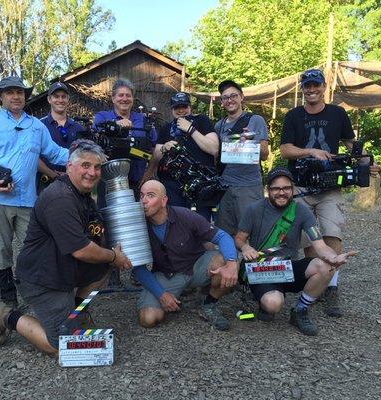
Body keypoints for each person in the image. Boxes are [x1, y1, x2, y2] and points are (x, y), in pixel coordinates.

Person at [0, 140, 132, 355]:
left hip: (65, 269)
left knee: (104, 266)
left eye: (97, 167)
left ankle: (76, 313)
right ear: (69, 166)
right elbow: (81, 250)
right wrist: (113, 256)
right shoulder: (60, 198)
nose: (92, 172)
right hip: (43, 280)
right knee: (60, 346)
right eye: (85, 165)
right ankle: (5, 315)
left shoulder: (83, 195)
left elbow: (95, 235)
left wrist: (113, 253)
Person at [280, 68, 378, 317]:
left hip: (330, 185)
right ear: (302, 89)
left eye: (316, 85)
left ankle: (332, 287)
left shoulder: (338, 113)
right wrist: (310, 151)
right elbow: (285, 150)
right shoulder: (293, 115)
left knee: (332, 232)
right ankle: (317, 281)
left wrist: (366, 162)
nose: (311, 90)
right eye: (307, 86)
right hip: (301, 186)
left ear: (324, 87)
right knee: (308, 238)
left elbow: (350, 145)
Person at [0, 76, 69, 307]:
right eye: (10, 92)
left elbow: (55, 153)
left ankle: (32, 292)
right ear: (1, 97)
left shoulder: (36, 126)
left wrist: (82, 156)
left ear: (25, 96)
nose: (16, 96)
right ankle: (8, 297)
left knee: (33, 247)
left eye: (20, 92)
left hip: (27, 200)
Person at [234, 167, 356, 336]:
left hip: (288, 267)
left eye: (286, 188)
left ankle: (300, 310)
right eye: (276, 188)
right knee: (273, 304)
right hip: (262, 269)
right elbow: (239, 238)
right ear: (268, 190)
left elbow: (319, 245)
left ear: (292, 189)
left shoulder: (301, 211)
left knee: (327, 266)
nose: (281, 193)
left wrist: (333, 258)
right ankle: (265, 301)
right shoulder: (254, 209)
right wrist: (246, 247)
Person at [136, 180, 238, 331]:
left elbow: (222, 236)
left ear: (164, 200)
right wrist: (161, 295)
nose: (144, 201)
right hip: (166, 274)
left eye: (150, 196)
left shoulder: (184, 215)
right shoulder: (137, 226)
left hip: (196, 267)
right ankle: (177, 293)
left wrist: (231, 263)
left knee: (224, 261)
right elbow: (137, 267)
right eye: (141, 195)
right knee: (148, 319)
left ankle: (208, 303)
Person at [142, 92, 219, 220]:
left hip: (198, 184)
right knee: (176, 223)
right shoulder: (166, 128)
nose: (181, 110)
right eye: (177, 107)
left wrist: (190, 129)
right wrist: (164, 148)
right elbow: (156, 156)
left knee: (200, 224)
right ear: (172, 110)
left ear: (190, 107)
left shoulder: (202, 121)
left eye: (184, 106)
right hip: (172, 185)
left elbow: (213, 149)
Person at [215, 79, 269, 235]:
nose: (230, 100)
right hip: (225, 186)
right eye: (225, 97)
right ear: (222, 102)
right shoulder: (219, 126)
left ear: (241, 97)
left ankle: (252, 260)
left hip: (249, 186)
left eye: (233, 96)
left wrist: (251, 143)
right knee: (225, 234)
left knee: (253, 232)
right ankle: (232, 260)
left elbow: (265, 155)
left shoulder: (255, 120)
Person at [93, 78, 157, 206]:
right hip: (108, 182)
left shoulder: (143, 120)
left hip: (137, 182)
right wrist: (116, 124)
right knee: (106, 220)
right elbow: (95, 131)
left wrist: (149, 172)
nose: (124, 99)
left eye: (128, 95)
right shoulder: (103, 116)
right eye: (120, 95)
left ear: (133, 99)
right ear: (113, 98)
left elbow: (155, 147)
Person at [37, 82, 84, 193]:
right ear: (49, 99)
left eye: (63, 97)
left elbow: (83, 155)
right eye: (56, 96)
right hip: (45, 184)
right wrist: (53, 175)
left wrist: (70, 175)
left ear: (68, 99)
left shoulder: (78, 127)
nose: (60, 100)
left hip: (74, 184)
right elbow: (33, 156)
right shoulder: (39, 126)